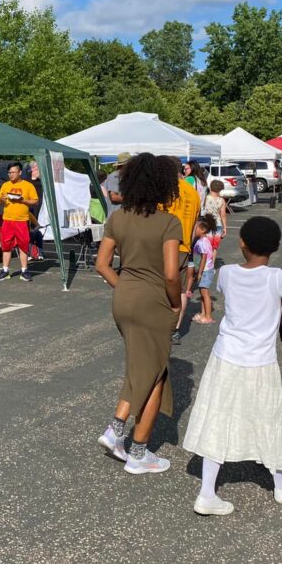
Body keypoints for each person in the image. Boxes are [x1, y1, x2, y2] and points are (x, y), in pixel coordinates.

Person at [182, 216, 282, 515]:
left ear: (242, 243)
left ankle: (207, 492)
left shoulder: (226, 273)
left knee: (219, 416)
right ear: (276, 247)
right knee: (271, 418)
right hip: (259, 361)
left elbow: (249, 288)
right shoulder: (278, 278)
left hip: (225, 356)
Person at [95, 153, 182, 474]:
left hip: (123, 297)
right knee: (156, 373)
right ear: (163, 185)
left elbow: (101, 264)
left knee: (142, 367)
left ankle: (117, 431)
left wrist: (125, 287)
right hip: (152, 301)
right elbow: (172, 274)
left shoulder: (118, 218)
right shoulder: (168, 222)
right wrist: (174, 303)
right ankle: (137, 450)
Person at [164, 163, 201, 344]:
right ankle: (175, 329)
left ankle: (162, 328)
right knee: (180, 291)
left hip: (164, 247)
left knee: (161, 288)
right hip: (185, 247)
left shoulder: (165, 191)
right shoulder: (193, 193)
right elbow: (195, 225)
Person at [0, 162, 39, 282]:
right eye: (9, 173)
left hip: (22, 220)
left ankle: (24, 271)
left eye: (13, 172)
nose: (11, 175)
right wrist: (1, 199)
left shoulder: (28, 185)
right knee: (6, 245)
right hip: (8, 220)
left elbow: (35, 201)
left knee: (23, 245)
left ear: (20, 172)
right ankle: (5, 270)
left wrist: (23, 200)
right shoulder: (5, 185)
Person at [191, 214, 217, 325]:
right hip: (205, 270)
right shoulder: (202, 240)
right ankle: (203, 314)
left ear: (202, 229)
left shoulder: (202, 242)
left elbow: (204, 258)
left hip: (205, 271)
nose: (194, 229)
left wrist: (200, 273)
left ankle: (208, 316)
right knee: (202, 293)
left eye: (195, 227)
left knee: (205, 293)